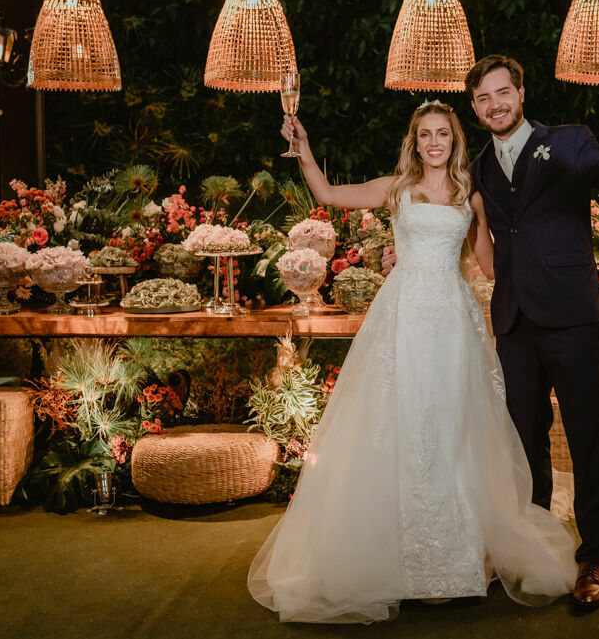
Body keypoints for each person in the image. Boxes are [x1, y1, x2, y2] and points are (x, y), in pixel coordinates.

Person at [247, 101, 577, 624]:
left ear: (454, 139)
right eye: (425, 135)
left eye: (442, 133)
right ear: (415, 142)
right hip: (401, 322)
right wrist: (304, 149)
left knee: (454, 431)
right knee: (397, 429)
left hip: (454, 324)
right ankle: (397, 562)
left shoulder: (473, 194)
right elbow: (330, 196)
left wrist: (544, 254)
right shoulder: (396, 189)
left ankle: (454, 561)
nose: (434, 143)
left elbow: (491, 263)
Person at [386, 55, 599, 609]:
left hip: (573, 315)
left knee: (586, 439)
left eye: (502, 93)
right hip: (514, 322)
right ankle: (535, 553)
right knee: (523, 446)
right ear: (474, 108)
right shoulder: (474, 167)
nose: (494, 104)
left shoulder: (570, 140)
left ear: (520, 92)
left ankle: (593, 558)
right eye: (482, 98)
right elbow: (467, 231)